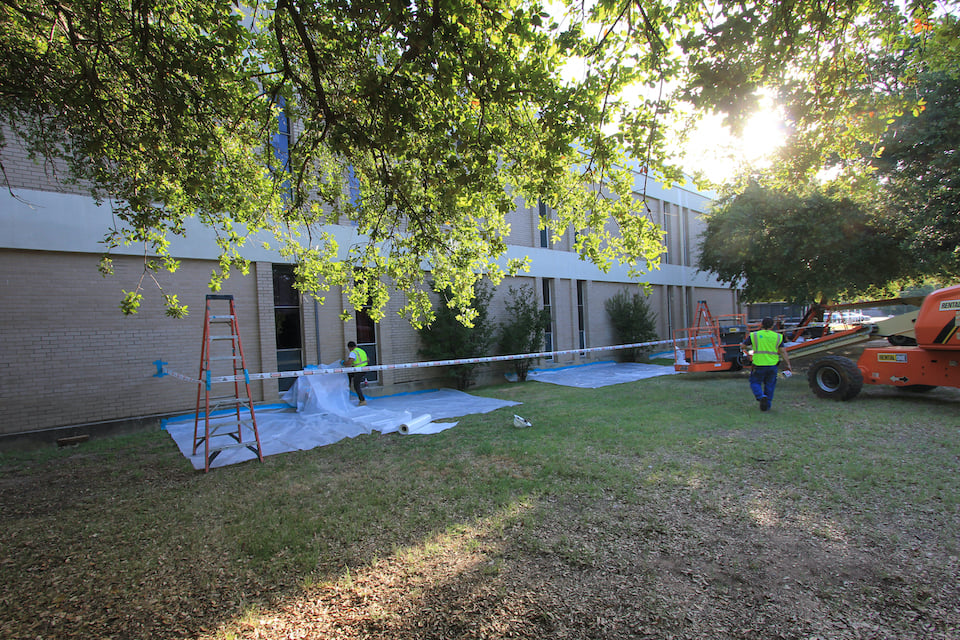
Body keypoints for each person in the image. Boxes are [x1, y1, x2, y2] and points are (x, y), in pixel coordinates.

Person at [743, 317, 792, 412]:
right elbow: (783, 352)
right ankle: (767, 406)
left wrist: (751, 347)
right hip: (772, 365)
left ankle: (760, 396)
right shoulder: (777, 336)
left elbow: (743, 346)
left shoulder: (754, 335)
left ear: (761, 324)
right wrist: (788, 364)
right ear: (772, 326)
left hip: (759, 364)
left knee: (755, 382)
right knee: (770, 385)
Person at [344, 341, 369, 406]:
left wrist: (343, 363)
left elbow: (349, 362)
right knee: (349, 374)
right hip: (364, 368)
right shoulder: (361, 350)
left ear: (350, 347)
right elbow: (368, 359)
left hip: (358, 370)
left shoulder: (353, 353)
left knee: (356, 385)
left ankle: (362, 400)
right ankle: (347, 386)